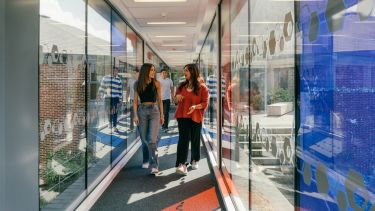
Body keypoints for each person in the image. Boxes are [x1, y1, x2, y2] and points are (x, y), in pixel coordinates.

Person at [174, 63, 209, 175]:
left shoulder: (202, 88)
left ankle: (195, 159)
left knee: (195, 139)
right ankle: (181, 164)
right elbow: (175, 101)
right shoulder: (181, 86)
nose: (184, 73)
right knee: (183, 140)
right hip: (182, 116)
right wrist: (176, 97)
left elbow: (205, 103)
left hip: (195, 116)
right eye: (184, 70)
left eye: (187, 71)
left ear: (193, 72)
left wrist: (195, 107)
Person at [134, 63, 164, 174]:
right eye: (151, 70)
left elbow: (160, 100)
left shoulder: (156, 83)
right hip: (141, 111)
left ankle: (154, 165)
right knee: (145, 139)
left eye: (153, 70)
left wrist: (162, 115)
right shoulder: (137, 84)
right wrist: (135, 115)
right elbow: (136, 101)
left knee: (151, 139)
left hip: (154, 111)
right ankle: (147, 158)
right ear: (146, 71)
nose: (153, 72)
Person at [98, 66, 123, 132]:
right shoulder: (105, 78)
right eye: (114, 71)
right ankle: (110, 122)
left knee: (115, 112)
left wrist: (120, 100)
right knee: (108, 111)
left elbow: (120, 90)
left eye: (116, 71)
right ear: (111, 71)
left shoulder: (119, 80)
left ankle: (114, 126)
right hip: (107, 98)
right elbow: (101, 88)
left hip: (115, 98)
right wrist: (100, 96)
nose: (115, 72)